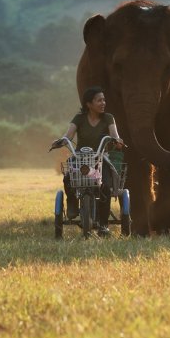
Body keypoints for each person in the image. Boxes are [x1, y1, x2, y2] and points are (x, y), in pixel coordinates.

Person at [52, 86, 124, 235]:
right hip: (80, 158)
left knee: (105, 186)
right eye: (99, 100)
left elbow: (114, 134)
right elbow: (69, 136)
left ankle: (103, 225)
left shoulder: (108, 118)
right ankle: (72, 202)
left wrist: (117, 141)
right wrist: (60, 141)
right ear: (89, 104)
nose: (103, 103)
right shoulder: (79, 118)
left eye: (104, 100)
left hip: (100, 158)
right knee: (68, 178)